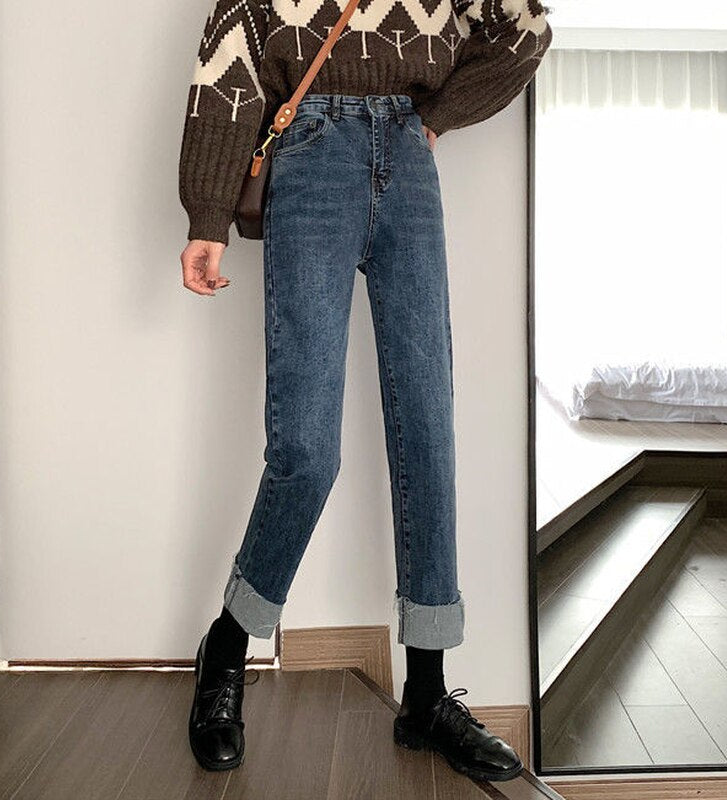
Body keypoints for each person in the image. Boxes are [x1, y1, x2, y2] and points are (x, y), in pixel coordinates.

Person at [179, 0, 552, 782]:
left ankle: (426, 695)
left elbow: (525, 27)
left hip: (408, 154)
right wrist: (208, 214)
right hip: (310, 152)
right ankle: (228, 644)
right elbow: (230, 55)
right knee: (306, 450)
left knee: (428, 431)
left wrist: (438, 116)